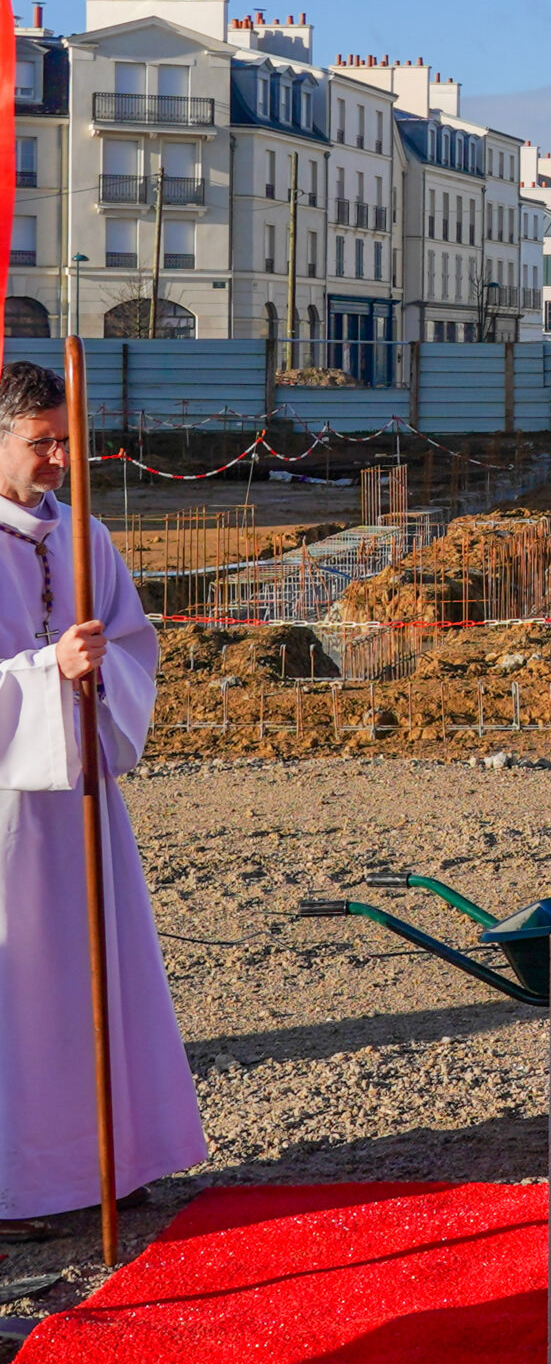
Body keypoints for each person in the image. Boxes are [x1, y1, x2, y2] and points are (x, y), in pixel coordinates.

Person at [0, 360, 206, 1240]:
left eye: (67, 442)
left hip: (82, 800)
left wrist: (98, 675)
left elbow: (133, 646)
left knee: (101, 978)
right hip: (8, 815)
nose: (57, 459)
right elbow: (54, 661)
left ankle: (108, 1161)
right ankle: (16, 1188)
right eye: (41, 442)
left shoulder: (86, 537)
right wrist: (48, 672)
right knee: (19, 994)